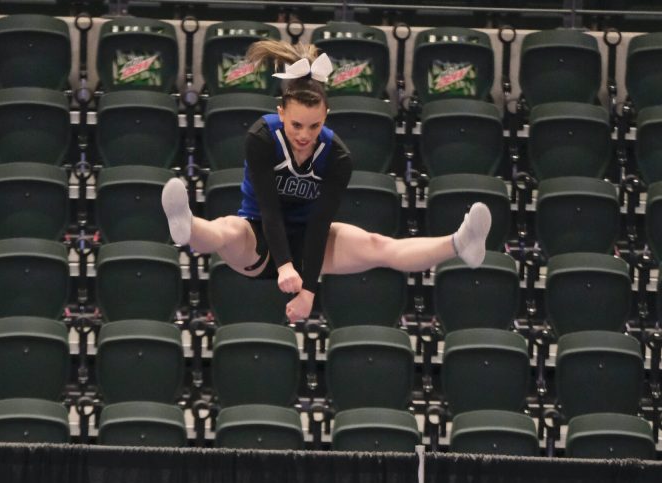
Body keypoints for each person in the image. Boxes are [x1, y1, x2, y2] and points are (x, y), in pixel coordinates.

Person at [161, 40, 492, 322]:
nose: (304, 136)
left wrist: (307, 291)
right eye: (296, 125)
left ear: (326, 117)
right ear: (281, 113)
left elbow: (320, 224)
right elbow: (270, 209)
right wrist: (284, 266)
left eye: (314, 126)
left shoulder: (337, 157)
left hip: (309, 241)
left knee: (378, 246)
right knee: (226, 230)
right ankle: (186, 225)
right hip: (259, 233)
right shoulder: (262, 137)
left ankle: (461, 243)